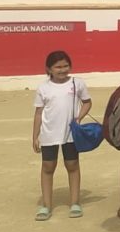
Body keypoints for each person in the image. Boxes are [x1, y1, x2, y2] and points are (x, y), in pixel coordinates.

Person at [32, 50, 92, 220]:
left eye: (66, 66)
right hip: (49, 133)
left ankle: (75, 203)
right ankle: (46, 205)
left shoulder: (77, 83)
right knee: (48, 167)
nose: (62, 70)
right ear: (48, 69)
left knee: (72, 165)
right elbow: (38, 113)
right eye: (58, 67)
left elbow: (87, 102)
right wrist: (35, 135)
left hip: (70, 133)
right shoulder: (43, 87)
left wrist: (79, 117)